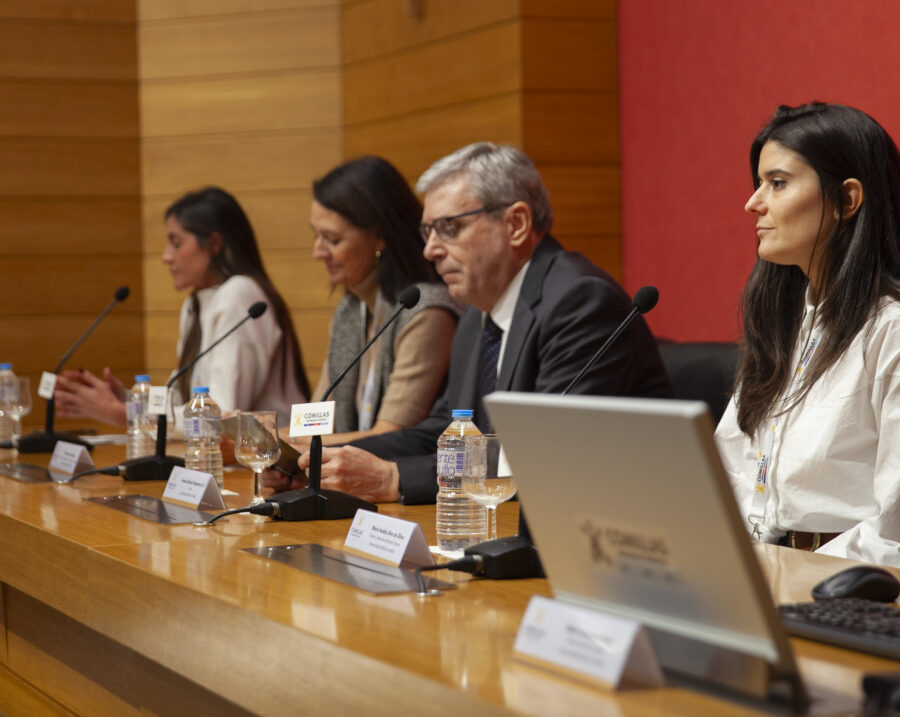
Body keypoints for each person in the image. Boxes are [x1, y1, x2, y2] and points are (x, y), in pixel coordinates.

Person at [263, 142, 671, 504]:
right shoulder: (479, 313)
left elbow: (547, 455)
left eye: (449, 229)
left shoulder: (580, 304)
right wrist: (316, 465)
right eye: (427, 231)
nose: (430, 250)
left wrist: (394, 477)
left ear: (516, 224)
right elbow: (443, 430)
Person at [714, 102, 900, 575]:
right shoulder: (788, 324)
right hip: (765, 577)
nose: (753, 203)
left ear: (847, 200)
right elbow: (729, 479)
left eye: (777, 183)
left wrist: (775, 579)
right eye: (759, 184)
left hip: (857, 594)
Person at [55, 186, 308, 426]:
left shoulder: (240, 295)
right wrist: (128, 402)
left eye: (176, 243)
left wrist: (127, 415)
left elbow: (221, 413)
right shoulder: (195, 304)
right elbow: (184, 398)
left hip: (268, 461)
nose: (166, 256)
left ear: (214, 245)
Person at [308, 156, 463, 437]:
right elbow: (312, 423)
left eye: (332, 239)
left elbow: (389, 435)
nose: (317, 252)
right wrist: (259, 436)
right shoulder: (350, 310)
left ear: (379, 236)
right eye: (316, 236)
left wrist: (289, 448)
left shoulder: (425, 312)